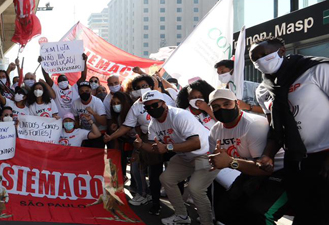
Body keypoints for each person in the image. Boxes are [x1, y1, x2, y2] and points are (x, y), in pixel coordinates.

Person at [249, 37, 329, 224]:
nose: (261, 60)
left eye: (265, 54)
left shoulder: (315, 70)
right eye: (255, 59)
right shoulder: (263, 90)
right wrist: (267, 155)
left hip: (324, 155)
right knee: (302, 211)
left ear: (282, 51)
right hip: (294, 159)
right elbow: (275, 127)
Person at [133, 90, 217, 225]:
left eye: (155, 105)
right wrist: (141, 145)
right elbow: (154, 148)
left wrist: (168, 147)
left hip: (205, 154)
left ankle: (207, 222)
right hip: (185, 156)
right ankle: (182, 215)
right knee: (166, 179)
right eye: (147, 107)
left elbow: (196, 143)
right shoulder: (153, 124)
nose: (152, 109)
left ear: (164, 104)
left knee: (196, 188)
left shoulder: (179, 115)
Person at [206, 89, 288, 225]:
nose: (222, 109)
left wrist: (230, 162)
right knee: (225, 210)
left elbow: (264, 169)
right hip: (250, 171)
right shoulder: (216, 130)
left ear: (237, 103)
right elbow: (217, 159)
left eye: (227, 104)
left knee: (258, 213)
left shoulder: (253, 125)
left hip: (280, 172)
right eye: (216, 107)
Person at [103, 74, 176, 215]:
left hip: (170, 139)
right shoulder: (137, 106)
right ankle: (154, 202)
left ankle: (178, 208)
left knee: (171, 176)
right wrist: (111, 136)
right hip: (148, 141)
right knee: (152, 174)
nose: (141, 90)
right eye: (137, 88)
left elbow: (176, 116)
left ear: (151, 86)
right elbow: (126, 126)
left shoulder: (165, 98)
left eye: (144, 86)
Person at [72, 81, 107, 148]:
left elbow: (104, 122)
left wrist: (93, 113)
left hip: (99, 131)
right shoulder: (75, 103)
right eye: (81, 91)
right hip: (86, 132)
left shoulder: (97, 102)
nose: (84, 93)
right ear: (78, 92)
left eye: (87, 90)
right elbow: (76, 120)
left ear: (91, 91)